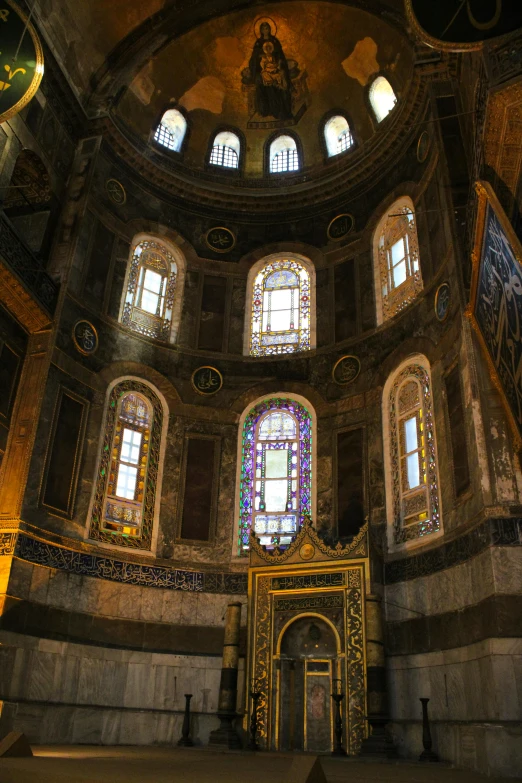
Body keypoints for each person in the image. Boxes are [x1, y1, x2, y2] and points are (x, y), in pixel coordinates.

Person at [248, 21, 293, 120]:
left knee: (281, 79)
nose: (265, 30)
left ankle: (282, 109)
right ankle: (268, 109)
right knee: (264, 81)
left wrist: (279, 63)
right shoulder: (258, 43)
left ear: (270, 29)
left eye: (267, 28)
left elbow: (280, 55)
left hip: (275, 68)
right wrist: (261, 57)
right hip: (263, 70)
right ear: (260, 31)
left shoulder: (275, 41)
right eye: (263, 29)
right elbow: (254, 59)